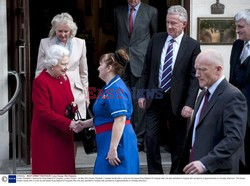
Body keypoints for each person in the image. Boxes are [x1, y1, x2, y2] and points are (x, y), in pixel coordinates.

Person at [138, 5, 201, 174]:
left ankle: (176, 176)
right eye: (167, 22)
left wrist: (190, 104)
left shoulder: (193, 45)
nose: (170, 26)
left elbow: (193, 79)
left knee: (177, 143)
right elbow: (146, 69)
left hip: (178, 101)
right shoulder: (156, 39)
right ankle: (156, 175)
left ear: (184, 24)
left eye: (174, 23)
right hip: (155, 97)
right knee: (151, 139)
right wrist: (142, 94)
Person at [178, 49, 247, 174]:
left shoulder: (233, 96)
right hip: (196, 167)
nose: (197, 74)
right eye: (196, 69)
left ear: (218, 69)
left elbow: (234, 138)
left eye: (202, 69)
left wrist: (205, 163)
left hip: (217, 171)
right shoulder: (203, 94)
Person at [35, 12, 89, 155]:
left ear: (71, 30)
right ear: (54, 29)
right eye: (60, 31)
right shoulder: (45, 43)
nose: (63, 34)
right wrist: (41, 91)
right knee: (56, 126)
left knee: (74, 130)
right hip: (53, 91)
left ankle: (71, 161)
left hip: (75, 93)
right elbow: (40, 70)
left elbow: (84, 73)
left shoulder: (80, 43)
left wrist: (87, 94)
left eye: (66, 31)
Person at [78, 49, 140, 174]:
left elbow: (120, 119)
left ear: (109, 68)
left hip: (118, 141)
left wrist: (113, 149)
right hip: (108, 139)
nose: (98, 68)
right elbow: (105, 116)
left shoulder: (116, 88)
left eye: (101, 64)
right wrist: (84, 124)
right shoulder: (109, 87)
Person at [113, 0, 158, 151]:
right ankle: (123, 135)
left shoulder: (151, 11)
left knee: (139, 100)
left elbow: (155, 37)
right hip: (121, 60)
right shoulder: (117, 11)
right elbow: (116, 33)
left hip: (141, 59)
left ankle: (138, 139)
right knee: (121, 98)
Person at [31, 45, 81, 174]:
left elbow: (69, 100)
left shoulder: (64, 78)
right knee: (49, 170)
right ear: (52, 64)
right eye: (63, 64)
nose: (66, 67)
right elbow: (43, 112)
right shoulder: (41, 81)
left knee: (65, 169)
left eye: (67, 63)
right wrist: (68, 123)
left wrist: (73, 108)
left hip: (63, 133)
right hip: (47, 135)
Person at [229, 9, 250, 173]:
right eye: (236, 26)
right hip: (237, 109)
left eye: (241, 26)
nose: (237, 30)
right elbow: (233, 77)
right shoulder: (236, 45)